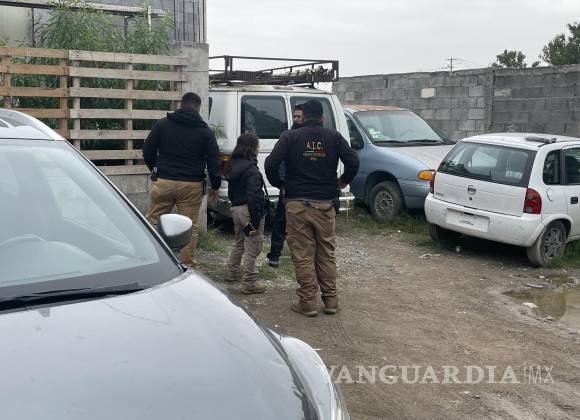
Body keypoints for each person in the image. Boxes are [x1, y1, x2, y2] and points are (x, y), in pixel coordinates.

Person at [265, 99, 359, 317]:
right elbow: (353, 161)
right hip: (326, 204)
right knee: (326, 252)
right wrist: (343, 181)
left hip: (297, 204)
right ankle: (331, 300)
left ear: (303, 117)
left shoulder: (290, 137)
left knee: (303, 254)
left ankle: (307, 302)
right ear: (322, 117)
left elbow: (270, 164)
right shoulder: (334, 137)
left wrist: (281, 184)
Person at [143, 92, 220, 268]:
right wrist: (215, 186)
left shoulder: (163, 124)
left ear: (181, 104)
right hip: (191, 185)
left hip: (164, 181)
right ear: (198, 108)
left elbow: (147, 151)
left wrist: (157, 169)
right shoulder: (205, 131)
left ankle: (151, 260)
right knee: (189, 226)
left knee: (153, 221)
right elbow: (213, 161)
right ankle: (186, 264)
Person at [225, 133, 268, 295]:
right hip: (248, 210)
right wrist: (255, 221)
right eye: (258, 146)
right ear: (252, 148)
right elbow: (253, 196)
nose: (259, 149)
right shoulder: (251, 169)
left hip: (236, 208)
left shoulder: (232, 165)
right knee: (252, 247)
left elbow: (231, 192)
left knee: (239, 242)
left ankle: (231, 272)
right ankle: (249, 283)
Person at [266, 104, 304, 267]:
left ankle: (299, 255)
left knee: (301, 225)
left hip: (305, 188)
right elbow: (277, 161)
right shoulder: (287, 136)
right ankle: (274, 255)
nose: (296, 119)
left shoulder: (310, 138)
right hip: (288, 187)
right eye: (294, 116)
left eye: (299, 117)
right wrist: (281, 183)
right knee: (281, 221)